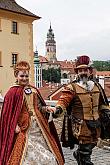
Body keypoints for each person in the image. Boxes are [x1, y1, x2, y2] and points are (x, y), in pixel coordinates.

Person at [0, 61, 64, 165]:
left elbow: (39, 107)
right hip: (24, 129)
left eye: (26, 76)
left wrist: (47, 108)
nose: (24, 78)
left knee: (48, 155)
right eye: (21, 76)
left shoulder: (33, 90)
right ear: (16, 75)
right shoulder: (12, 93)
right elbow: (7, 114)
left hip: (39, 127)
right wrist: (14, 125)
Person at [52, 55, 110, 165]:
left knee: (93, 143)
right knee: (86, 147)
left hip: (96, 122)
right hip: (81, 124)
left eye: (85, 70)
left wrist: (106, 111)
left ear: (90, 71)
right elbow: (63, 101)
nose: (83, 72)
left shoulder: (97, 86)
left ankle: (79, 154)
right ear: (77, 72)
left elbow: (102, 103)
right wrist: (57, 109)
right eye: (80, 70)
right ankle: (84, 160)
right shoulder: (71, 87)